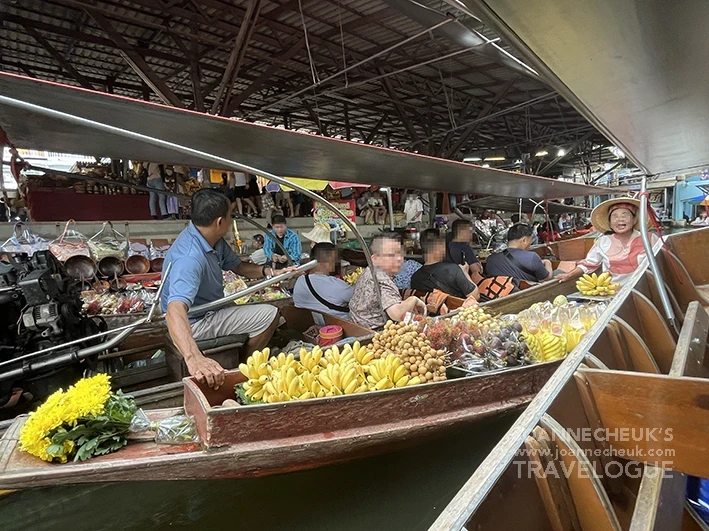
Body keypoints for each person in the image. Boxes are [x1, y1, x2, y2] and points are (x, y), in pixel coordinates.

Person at [162, 189, 284, 389]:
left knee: (281, 319)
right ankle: (243, 371)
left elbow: (239, 266)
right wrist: (194, 358)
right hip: (197, 322)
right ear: (220, 222)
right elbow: (174, 309)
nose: (231, 220)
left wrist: (269, 271)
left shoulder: (211, 239)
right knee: (270, 314)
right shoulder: (191, 257)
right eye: (230, 216)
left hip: (212, 308)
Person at [556, 198, 658, 285]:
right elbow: (588, 264)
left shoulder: (649, 239)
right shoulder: (603, 242)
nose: (619, 220)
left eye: (625, 215)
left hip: (643, 291)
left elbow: (662, 263)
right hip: (611, 292)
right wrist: (569, 275)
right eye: (615, 216)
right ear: (610, 222)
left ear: (635, 219)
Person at [349, 233, 426, 329]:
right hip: (374, 333)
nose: (399, 259)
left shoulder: (369, 270)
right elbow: (397, 314)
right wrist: (413, 299)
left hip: (356, 326)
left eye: (400, 253)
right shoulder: (381, 278)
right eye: (391, 255)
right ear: (375, 259)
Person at [411, 229, 479, 304]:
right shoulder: (453, 270)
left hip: (432, 314)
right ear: (439, 247)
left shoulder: (415, 278)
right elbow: (475, 296)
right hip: (457, 313)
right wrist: (465, 272)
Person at [292, 243, 353, 320]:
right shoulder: (336, 285)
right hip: (337, 328)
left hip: (307, 324)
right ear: (328, 262)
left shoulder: (300, 281)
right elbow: (359, 297)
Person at [486, 223, 556, 283]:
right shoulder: (532, 257)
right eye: (530, 240)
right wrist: (548, 262)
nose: (530, 244)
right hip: (525, 295)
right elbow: (545, 278)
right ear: (524, 240)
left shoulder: (490, 259)